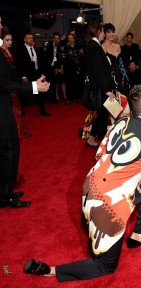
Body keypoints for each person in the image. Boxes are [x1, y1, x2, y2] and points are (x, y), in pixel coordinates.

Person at [23, 81, 141, 281]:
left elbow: (102, 154)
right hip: (106, 205)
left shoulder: (124, 121)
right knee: (106, 267)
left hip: (91, 187)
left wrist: (134, 177)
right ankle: (50, 270)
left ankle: (138, 236)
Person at [0, 16, 50, 208]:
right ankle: (4, 195)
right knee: (8, 150)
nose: (1, 25)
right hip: (2, 106)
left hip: (6, 104)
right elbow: (3, 82)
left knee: (11, 148)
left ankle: (6, 191)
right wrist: (33, 87)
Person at [84, 21, 126, 147]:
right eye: (103, 31)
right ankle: (104, 142)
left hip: (105, 85)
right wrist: (106, 90)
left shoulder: (92, 45)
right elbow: (97, 72)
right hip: (102, 88)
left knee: (107, 112)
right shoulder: (95, 47)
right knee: (104, 114)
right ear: (98, 32)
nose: (103, 33)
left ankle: (93, 138)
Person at [0, 31, 31, 139]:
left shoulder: (10, 51)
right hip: (6, 84)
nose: (9, 42)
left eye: (11, 40)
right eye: (7, 40)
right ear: (2, 40)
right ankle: (13, 132)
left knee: (16, 108)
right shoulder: (1, 52)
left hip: (13, 81)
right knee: (14, 108)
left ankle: (17, 130)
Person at [16, 32, 51, 116]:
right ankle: (21, 109)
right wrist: (23, 76)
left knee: (40, 92)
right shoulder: (21, 50)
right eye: (28, 38)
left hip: (36, 73)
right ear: (24, 40)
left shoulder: (35, 49)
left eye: (31, 38)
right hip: (26, 74)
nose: (31, 39)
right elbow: (19, 64)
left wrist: (42, 74)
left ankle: (42, 110)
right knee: (24, 92)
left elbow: (39, 63)